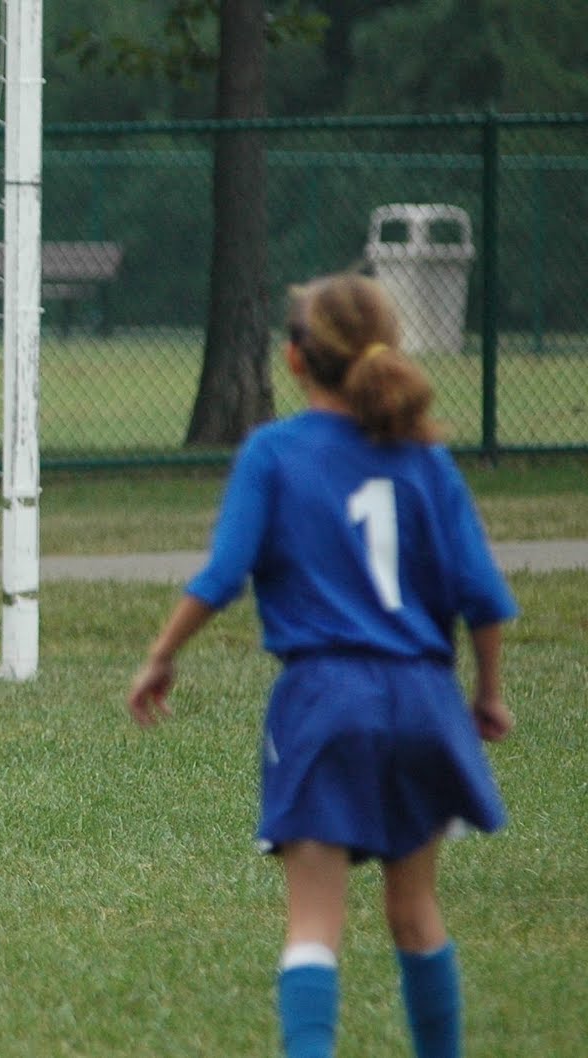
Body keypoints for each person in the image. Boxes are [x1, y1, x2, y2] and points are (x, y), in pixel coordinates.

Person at [125, 271, 516, 1058]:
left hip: (325, 699)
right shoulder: (426, 461)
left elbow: (221, 575)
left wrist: (160, 656)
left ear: (296, 360)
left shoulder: (275, 452)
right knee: (415, 914)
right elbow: (485, 597)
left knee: (314, 924)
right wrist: (488, 696)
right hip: (423, 702)